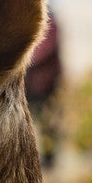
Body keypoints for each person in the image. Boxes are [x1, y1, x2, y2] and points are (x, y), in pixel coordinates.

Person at [25, 10, 62, 168]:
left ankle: (49, 161)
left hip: (46, 84)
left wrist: (24, 59)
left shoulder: (50, 22)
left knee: (47, 122)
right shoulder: (28, 19)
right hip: (32, 84)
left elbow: (44, 50)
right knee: (30, 120)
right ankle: (34, 158)